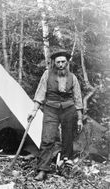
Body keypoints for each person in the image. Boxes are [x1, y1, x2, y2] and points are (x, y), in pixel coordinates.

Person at [28, 50, 83, 181]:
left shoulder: (73, 78)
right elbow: (40, 93)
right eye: (58, 62)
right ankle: (42, 170)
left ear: (67, 62)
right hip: (51, 109)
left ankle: (65, 167)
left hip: (69, 110)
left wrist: (80, 118)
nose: (60, 65)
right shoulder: (47, 74)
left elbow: (78, 98)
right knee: (47, 138)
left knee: (68, 139)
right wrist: (34, 110)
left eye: (63, 62)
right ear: (54, 63)